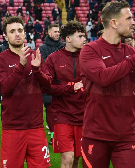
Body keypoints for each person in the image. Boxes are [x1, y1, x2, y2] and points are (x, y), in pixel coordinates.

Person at [79, 1, 135, 167]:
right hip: (96, 135)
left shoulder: (130, 52)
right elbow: (103, 78)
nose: (134, 22)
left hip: (127, 136)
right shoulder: (90, 50)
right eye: (129, 18)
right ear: (114, 23)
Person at [0, 16, 51, 168]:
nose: (17, 34)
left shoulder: (35, 55)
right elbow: (4, 89)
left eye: (20, 30)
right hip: (12, 128)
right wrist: (20, 66)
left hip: (36, 126)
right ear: (5, 36)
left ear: (25, 33)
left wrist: (37, 70)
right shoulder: (0, 59)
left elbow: (48, 85)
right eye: (12, 31)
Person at [44, 21, 86, 168]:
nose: (84, 39)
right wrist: (71, 87)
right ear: (68, 39)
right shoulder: (53, 59)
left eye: (84, 36)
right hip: (62, 114)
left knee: (76, 158)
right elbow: (47, 87)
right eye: (80, 36)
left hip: (84, 114)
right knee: (67, 159)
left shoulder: (88, 57)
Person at [39, 23, 65, 145]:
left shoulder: (64, 46)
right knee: (50, 112)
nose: (57, 34)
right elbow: (43, 66)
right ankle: (53, 136)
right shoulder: (43, 48)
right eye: (55, 31)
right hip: (49, 86)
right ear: (49, 33)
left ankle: (63, 135)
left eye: (58, 31)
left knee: (65, 111)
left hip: (64, 84)